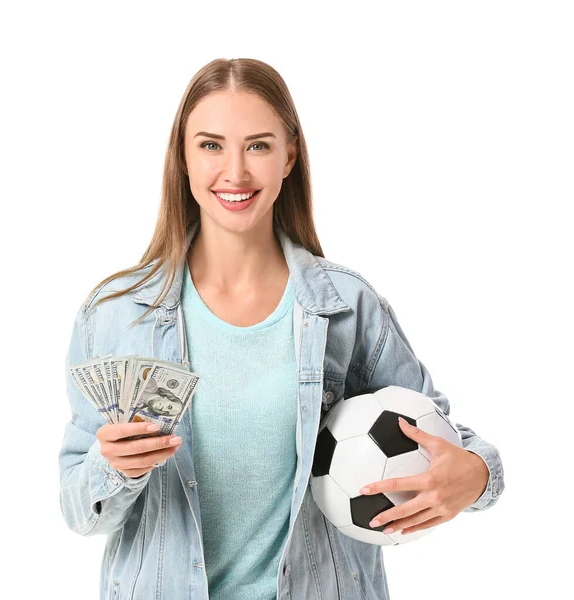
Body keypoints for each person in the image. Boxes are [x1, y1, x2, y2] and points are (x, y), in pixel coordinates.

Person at [59, 57, 505, 600]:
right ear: (182, 156)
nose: (236, 172)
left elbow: (441, 438)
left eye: (259, 145)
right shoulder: (115, 314)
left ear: (289, 155)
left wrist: (477, 475)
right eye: (211, 145)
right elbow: (80, 512)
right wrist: (113, 468)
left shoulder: (348, 309)